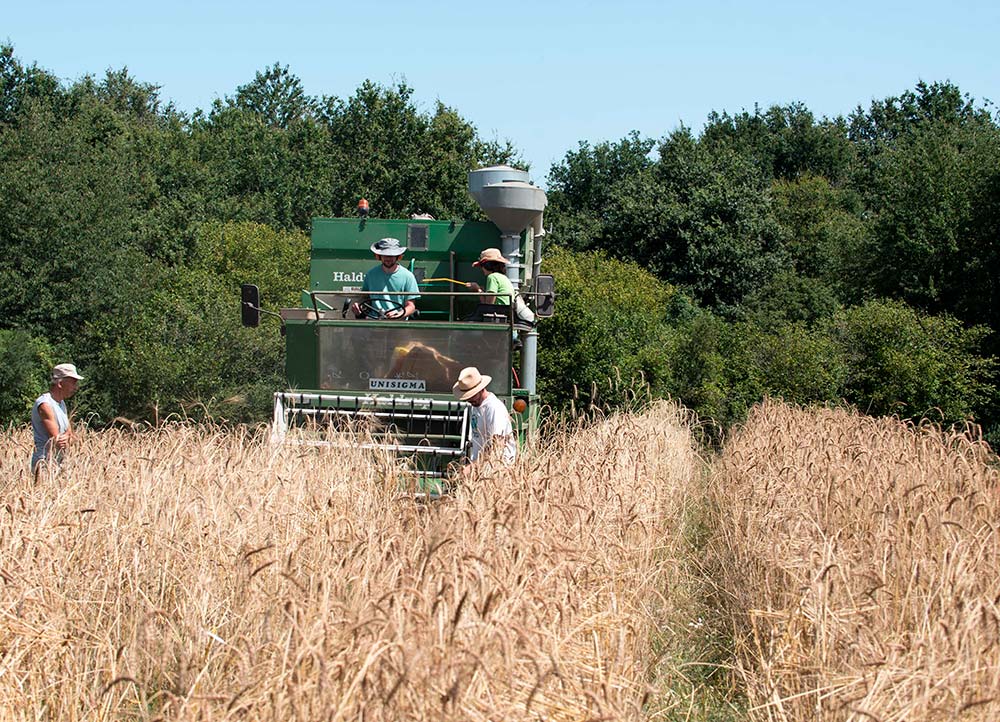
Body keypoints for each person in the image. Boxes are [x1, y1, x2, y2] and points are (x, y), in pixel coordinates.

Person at [452, 366, 517, 464]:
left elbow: (497, 444)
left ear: (481, 389)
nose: (469, 400)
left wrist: (472, 467)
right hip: (482, 467)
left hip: (497, 468)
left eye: (471, 395)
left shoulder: (494, 408)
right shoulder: (475, 406)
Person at [31, 363, 83, 478]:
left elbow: (70, 434)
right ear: (60, 383)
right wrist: (66, 438)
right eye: (73, 382)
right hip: (44, 463)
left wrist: (69, 436)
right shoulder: (45, 404)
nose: (76, 387)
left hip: (58, 463)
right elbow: (58, 440)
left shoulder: (61, 403)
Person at [350, 237, 420, 319]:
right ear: (379, 256)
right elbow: (364, 297)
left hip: (398, 324)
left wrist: (399, 314)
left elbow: (411, 306)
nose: (388, 258)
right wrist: (358, 305)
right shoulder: (371, 274)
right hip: (373, 321)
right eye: (385, 255)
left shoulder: (408, 276)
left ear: (398, 257)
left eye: (391, 256)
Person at [467, 248, 535, 327]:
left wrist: (477, 289)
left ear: (488, 265)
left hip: (498, 314)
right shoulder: (504, 277)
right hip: (507, 314)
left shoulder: (492, 277)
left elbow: (488, 305)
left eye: (482, 265)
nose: (481, 268)